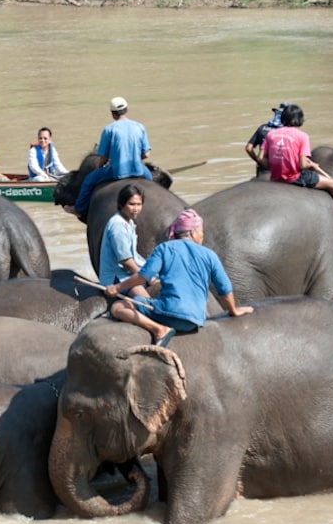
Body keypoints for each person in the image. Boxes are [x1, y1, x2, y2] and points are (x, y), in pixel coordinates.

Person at [105, 209, 253, 347]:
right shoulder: (210, 255)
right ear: (193, 232)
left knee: (118, 307)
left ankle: (158, 329)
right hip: (195, 319)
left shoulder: (165, 248)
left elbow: (144, 276)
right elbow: (225, 289)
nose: (202, 235)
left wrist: (117, 288)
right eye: (202, 232)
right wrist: (233, 310)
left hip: (167, 313)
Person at [258, 103, 333, 215]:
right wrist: (312, 166)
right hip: (294, 177)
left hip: (275, 176)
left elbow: (260, 158)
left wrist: (275, 166)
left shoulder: (271, 134)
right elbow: (303, 165)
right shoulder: (302, 136)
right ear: (299, 119)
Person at [74, 97, 153, 220]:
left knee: (88, 181)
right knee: (151, 181)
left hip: (117, 171)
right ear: (127, 110)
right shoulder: (140, 127)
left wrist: (100, 167)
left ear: (113, 114)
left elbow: (104, 157)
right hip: (139, 170)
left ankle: (79, 208)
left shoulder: (109, 129)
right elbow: (146, 154)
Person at [98, 184, 151, 300]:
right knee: (147, 303)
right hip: (117, 276)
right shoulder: (117, 225)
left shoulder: (129, 222)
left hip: (129, 273)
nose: (136, 209)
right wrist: (146, 276)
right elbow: (126, 261)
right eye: (131, 204)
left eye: (139, 204)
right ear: (121, 204)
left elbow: (134, 255)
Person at [245, 102, 286, 177]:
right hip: (279, 171)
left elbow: (248, 148)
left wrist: (257, 160)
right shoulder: (286, 132)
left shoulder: (262, 127)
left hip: (262, 170)